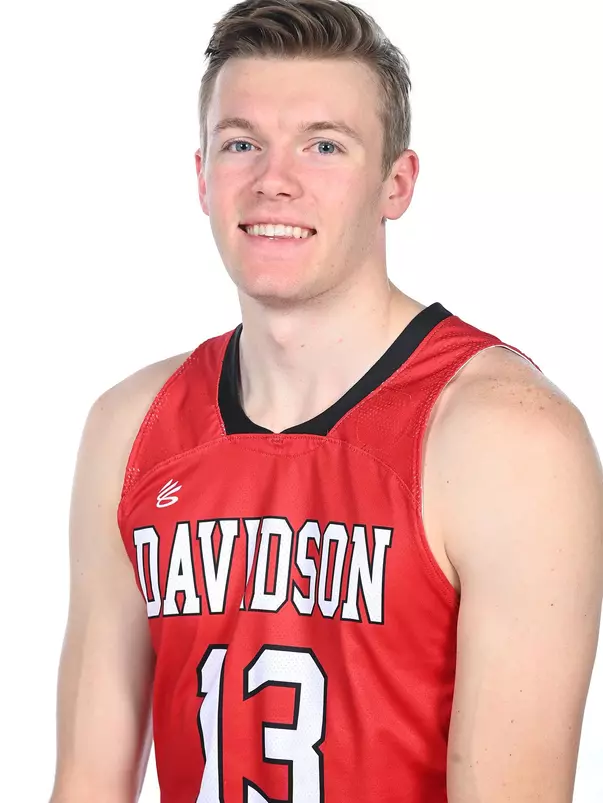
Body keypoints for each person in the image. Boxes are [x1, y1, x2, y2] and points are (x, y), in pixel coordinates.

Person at [50, 1, 603, 801]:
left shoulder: (506, 438)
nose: (274, 180)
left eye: (323, 146)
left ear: (395, 184)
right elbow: (87, 783)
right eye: (241, 144)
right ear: (202, 177)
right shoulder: (129, 428)